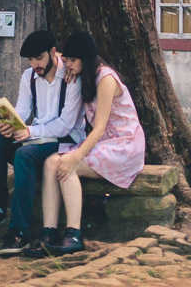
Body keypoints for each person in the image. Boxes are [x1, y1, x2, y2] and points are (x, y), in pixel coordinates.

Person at [0, 28, 86, 257]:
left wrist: (29, 131)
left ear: (54, 52)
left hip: (64, 141)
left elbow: (65, 125)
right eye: (31, 60)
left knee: (25, 155)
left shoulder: (72, 78)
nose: (35, 64)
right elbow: (23, 110)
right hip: (37, 135)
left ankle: (19, 232)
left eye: (39, 58)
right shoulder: (29, 76)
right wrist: (9, 122)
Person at [31, 30, 145, 257]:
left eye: (73, 62)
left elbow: (100, 127)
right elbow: (63, 55)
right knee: (51, 163)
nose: (68, 66)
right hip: (104, 145)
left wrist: (74, 156)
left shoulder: (106, 79)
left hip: (124, 146)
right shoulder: (85, 72)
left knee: (67, 165)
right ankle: (48, 232)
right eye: (67, 61)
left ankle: (74, 234)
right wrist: (67, 61)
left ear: (86, 59)